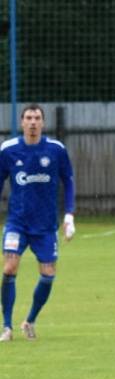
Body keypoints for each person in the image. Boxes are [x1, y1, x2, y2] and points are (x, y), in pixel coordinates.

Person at [0, 103, 75, 342]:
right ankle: (7, 326)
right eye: (29, 118)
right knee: (9, 268)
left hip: (45, 226)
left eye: (37, 118)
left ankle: (29, 321)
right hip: (17, 223)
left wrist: (69, 215)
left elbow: (69, 181)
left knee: (48, 274)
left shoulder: (56, 149)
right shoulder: (8, 150)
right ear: (22, 122)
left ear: (43, 123)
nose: (33, 122)